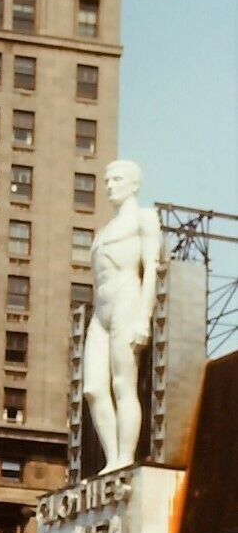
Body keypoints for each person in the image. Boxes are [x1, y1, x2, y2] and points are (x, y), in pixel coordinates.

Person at [83, 159, 162, 473]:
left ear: (133, 184)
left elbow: (152, 268)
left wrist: (144, 316)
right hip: (101, 309)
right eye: (107, 180)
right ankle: (112, 456)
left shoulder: (144, 218)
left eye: (116, 179)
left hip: (127, 299)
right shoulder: (103, 230)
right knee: (92, 388)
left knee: (122, 384)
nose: (110, 186)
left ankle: (123, 459)